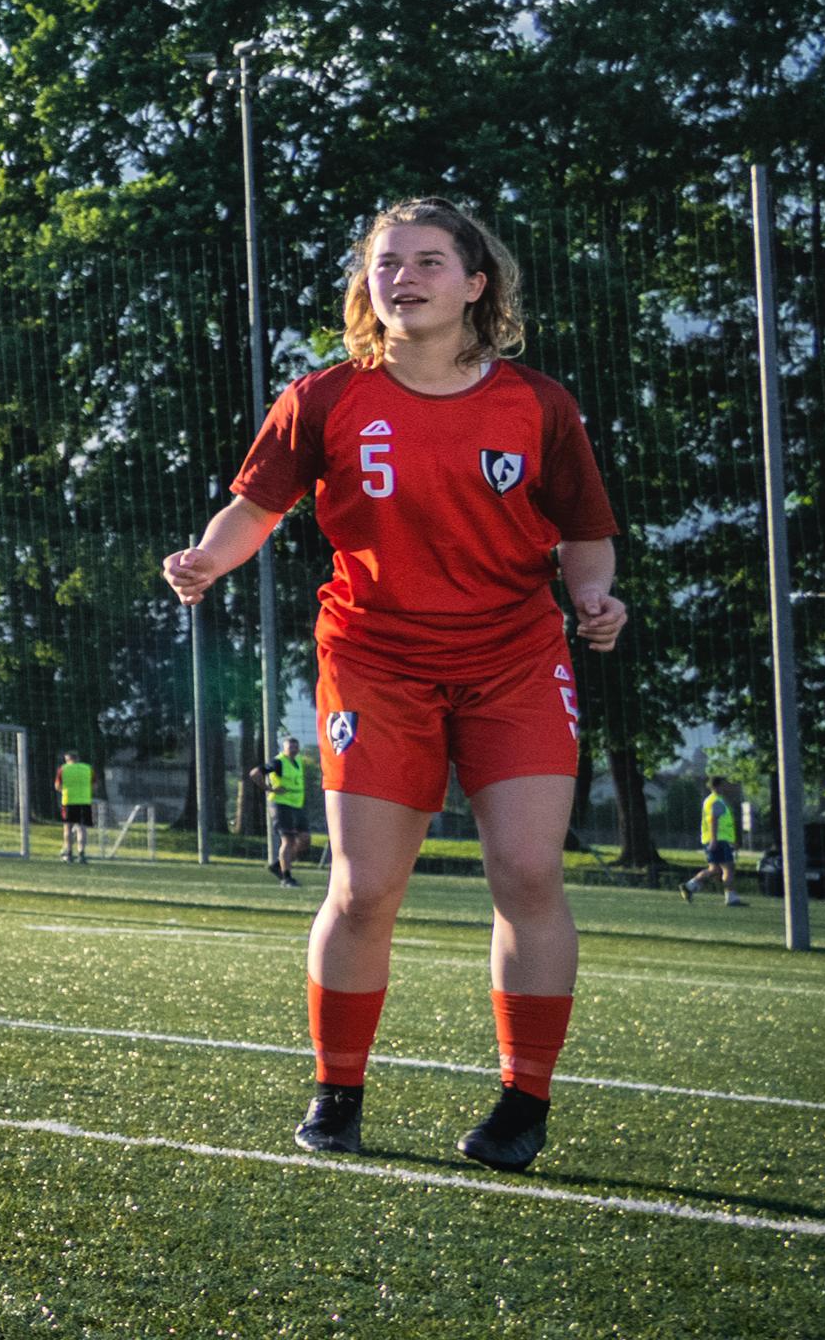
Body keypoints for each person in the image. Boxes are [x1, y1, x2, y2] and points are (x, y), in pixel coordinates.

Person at [165, 197, 624, 1175]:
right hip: (374, 660)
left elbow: (588, 530)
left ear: (475, 282)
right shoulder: (324, 398)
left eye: (426, 261)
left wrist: (595, 597)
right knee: (365, 886)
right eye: (385, 264)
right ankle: (337, 1093)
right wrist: (206, 559)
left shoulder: (539, 404)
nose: (402, 278)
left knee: (530, 874)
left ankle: (522, 1102)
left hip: (514, 659)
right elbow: (256, 507)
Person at [683, 774, 749, 909]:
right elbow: (713, 820)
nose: (727, 786)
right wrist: (714, 840)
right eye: (725, 783)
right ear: (718, 785)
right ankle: (731, 897)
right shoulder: (716, 801)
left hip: (717, 840)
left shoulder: (713, 800)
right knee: (728, 867)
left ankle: (690, 886)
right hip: (718, 840)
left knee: (715, 869)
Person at [266, 737, 314, 885]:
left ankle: (277, 865)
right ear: (284, 748)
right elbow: (256, 773)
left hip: (297, 805)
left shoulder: (298, 761)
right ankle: (286, 877)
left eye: (295, 746)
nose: (293, 749)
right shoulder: (278, 762)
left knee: (305, 839)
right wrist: (270, 789)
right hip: (281, 805)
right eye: (290, 747)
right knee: (288, 840)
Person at [56, 749, 97, 863]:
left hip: (68, 801)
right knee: (82, 829)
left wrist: (65, 791)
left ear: (67, 759)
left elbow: (57, 786)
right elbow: (94, 786)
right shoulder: (88, 768)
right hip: (84, 801)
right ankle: (81, 854)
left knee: (67, 829)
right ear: (77, 758)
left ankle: (68, 853)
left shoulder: (63, 769)